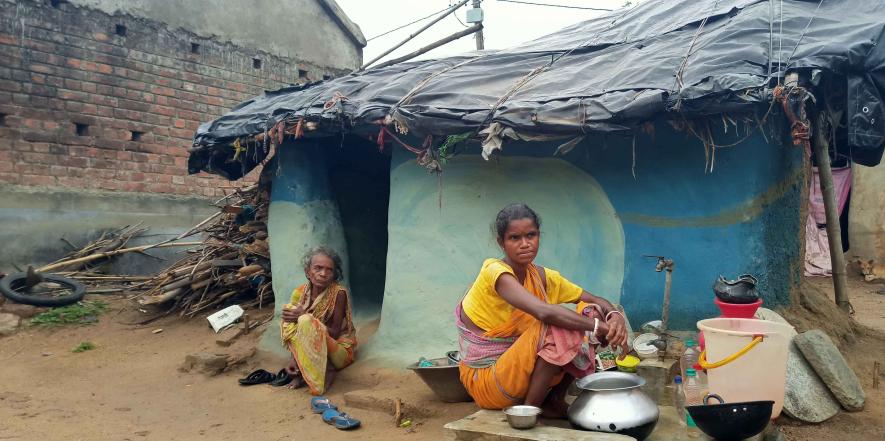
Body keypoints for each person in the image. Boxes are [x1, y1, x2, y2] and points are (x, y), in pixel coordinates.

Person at [456, 203, 629, 417]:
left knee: (591, 311)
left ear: (539, 236)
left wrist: (614, 317)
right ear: (501, 242)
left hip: (519, 373)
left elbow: (594, 299)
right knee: (557, 325)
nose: (525, 244)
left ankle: (553, 400)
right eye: (514, 238)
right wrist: (599, 327)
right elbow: (544, 312)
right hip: (489, 381)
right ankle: (528, 413)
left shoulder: (541, 276)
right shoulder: (495, 272)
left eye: (531, 235)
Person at [280, 246, 356, 395]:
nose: (323, 274)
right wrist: (295, 360)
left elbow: (334, 333)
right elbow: (295, 333)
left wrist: (306, 317)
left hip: (337, 351)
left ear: (334, 274)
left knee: (305, 320)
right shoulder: (299, 293)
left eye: (329, 270)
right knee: (291, 313)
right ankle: (301, 367)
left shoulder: (339, 294)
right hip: (312, 348)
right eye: (318, 268)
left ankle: (328, 369)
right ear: (308, 271)